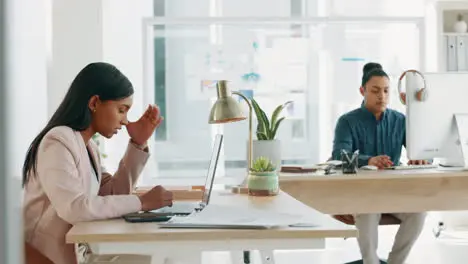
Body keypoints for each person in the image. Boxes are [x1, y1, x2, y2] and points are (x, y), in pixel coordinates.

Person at [22, 62, 174, 264]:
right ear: (94, 103)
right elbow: (74, 208)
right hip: (46, 258)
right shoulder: (57, 141)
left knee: (155, 259)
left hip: (76, 255)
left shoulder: (88, 146)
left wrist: (138, 143)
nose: (126, 121)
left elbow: (113, 194)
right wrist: (142, 202)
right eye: (122, 110)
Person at [331, 62, 427, 264]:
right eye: (375, 91)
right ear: (362, 91)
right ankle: (371, 261)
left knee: (419, 211)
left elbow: (421, 151)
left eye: (385, 91)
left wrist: (421, 157)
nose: (381, 96)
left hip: (394, 191)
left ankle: (395, 262)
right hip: (362, 192)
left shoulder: (400, 120)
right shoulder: (347, 121)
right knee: (368, 209)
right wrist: (369, 160)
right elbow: (339, 155)